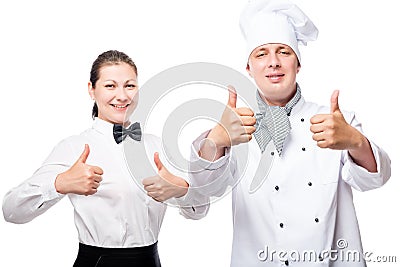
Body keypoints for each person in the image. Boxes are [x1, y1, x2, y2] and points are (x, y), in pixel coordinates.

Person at [183, 0, 392, 266]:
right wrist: (216, 141)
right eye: (261, 54)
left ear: (298, 64)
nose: (273, 62)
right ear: (249, 68)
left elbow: (376, 180)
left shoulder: (335, 122)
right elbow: (201, 193)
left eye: (284, 52)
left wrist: (356, 142)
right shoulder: (233, 127)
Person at [2, 50, 192, 267]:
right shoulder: (73, 147)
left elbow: (197, 211)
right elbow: (11, 210)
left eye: (129, 85)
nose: (122, 96)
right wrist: (59, 184)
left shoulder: (157, 146)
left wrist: (181, 190)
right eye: (110, 86)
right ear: (91, 90)